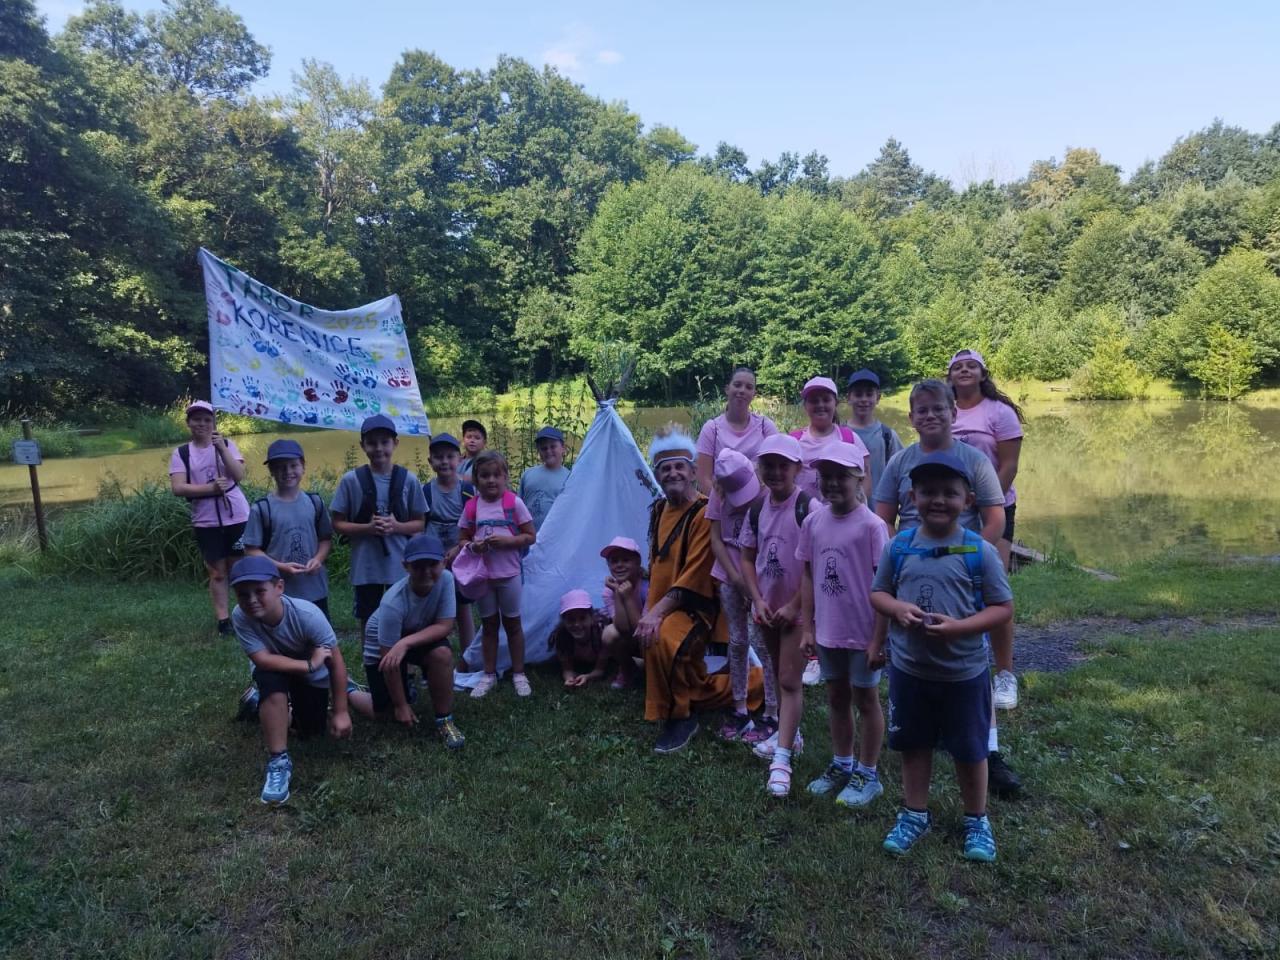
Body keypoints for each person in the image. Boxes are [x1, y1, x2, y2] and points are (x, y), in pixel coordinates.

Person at [872, 379, 1023, 800]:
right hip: (911, 564)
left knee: (969, 662)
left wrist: (969, 559)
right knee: (912, 654)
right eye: (921, 410)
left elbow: (995, 518)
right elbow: (882, 518)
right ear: (911, 417)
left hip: (963, 569)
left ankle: (988, 750)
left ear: (953, 413)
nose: (931, 416)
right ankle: (916, 735)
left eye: (938, 408)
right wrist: (901, 557)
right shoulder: (901, 462)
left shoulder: (974, 460)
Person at [867, 452, 1014, 862]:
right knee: (914, 745)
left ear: (968, 500)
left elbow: (1002, 609)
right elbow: (878, 594)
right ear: (912, 497)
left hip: (963, 674)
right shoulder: (899, 547)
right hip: (909, 671)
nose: (938, 500)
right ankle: (915, 813)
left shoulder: (979, 551)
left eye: (949, 493)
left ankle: (976, 819)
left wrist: (959, 628)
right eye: (928, 491)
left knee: (970, 749)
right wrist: (897, 609)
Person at [637, 426, 763, 754]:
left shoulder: (705, 511)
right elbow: (659, 562)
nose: (673, 473)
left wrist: (656, 613)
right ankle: (702, 690)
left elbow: (695, 575)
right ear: (657, 476)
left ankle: (682, 714)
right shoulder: (658, 509)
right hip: (666, 604)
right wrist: (649, 609)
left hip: (699, 606)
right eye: (665, 468)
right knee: (648, 639)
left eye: (680, 466)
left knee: (667, 640)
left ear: (694, 472)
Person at [798, 447, 890, 808]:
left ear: (859, 479)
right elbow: (808, 575)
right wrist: (808, 627)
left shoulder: (872, 526)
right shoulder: (813, 522)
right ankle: (842, 763)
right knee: (836, 697)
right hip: (828, 631)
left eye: (842, 476)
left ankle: (868, 773)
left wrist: (878, 639)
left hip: (863, 632)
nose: (833, 483)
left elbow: (884, 585)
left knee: (866, 700)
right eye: (826, 476)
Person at [229, 555, 354, 805]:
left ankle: (257, 703)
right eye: (243, 594)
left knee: (311, 731)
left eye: (259, 591)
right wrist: (309, 665)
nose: (251, 600)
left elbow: (336, 661)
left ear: (279, 587)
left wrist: (341, 711)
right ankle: (278, 761)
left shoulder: (307, 614)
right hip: (276, 668)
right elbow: (263, 660)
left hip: (309, 677)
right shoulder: (240, 616)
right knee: (270, 679)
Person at [947, 348, 1025, 711]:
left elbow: (1009, 465)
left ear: (982, 373)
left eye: (971, 366)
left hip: (996, 507)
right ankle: (960, 661)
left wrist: (985, 500)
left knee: (995, 586)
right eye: (957, 367)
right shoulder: (944, 409)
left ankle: (1005, 673)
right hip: (953, 509)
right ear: (950, 376)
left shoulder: (999, 412)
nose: (964, 370)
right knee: (957, 581)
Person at [739, 434, 811, 794]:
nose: (776, 472)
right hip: (767, 608)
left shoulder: (808, 507)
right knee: (778, 672)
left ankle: (782, 759)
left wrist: (794, 605)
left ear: (797, 468)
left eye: (784, 465)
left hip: (796, 611)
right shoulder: (757, 508)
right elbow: (747, 557)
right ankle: (789, 734)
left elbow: (814, 562)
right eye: (769, 465)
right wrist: (757, 599)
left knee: (789, 678)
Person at [349, 533, 465, 749]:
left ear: (444, 562)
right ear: (405, 566)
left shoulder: (447, 579)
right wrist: (400, 705)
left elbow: (445, 626)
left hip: (414, 637)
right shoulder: (392, 602)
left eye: (432, 564)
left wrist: (405, 643)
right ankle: (350, 690)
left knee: (442, 654)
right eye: (418, 566)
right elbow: (389, 659)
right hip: (383, 647)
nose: (426, 571)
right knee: (384, 713)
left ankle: (444, 720)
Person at [330, 414, 428, 633]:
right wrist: (368, 528)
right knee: (368, 618)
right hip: (366, 567)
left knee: (402, 616)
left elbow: (420, 523)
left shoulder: (409, 479)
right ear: (362, 445)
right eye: (372, 443)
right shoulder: (351, 480)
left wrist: (396, 526)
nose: (379, 448)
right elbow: (337, 524)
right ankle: (370, 654)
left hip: (401, 566)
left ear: (395, 443)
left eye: (385, 442)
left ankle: (403, 654)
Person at [705, 448, 777, 741]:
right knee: (737, 640)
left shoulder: (766, 494)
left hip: (762, 580)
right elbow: (716, 540)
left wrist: (753, 586)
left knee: (765, 643)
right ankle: (739, 707)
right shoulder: (718, 494)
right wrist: (736, 580)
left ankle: (772, 711)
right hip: (729, 576)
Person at [457, 450, 537, 698]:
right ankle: (488, 674)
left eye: (496, 475)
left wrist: (508, 541)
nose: (491, 480)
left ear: (505, 477)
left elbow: (530, 536)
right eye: (485, 475)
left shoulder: (514, 503)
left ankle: (519, 673)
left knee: (513, 624)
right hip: (483, 578)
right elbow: (462, 539)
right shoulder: (472, 506)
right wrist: (473, 546)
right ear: (476, 479)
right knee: (489, 625)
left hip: (509, 575)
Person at [169, 400, 250, 634]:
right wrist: (210, 489)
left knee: (239, 569)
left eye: (207, 419)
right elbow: (178, 488)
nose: (202, 424)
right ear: (188, 423)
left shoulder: (227, 444)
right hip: (205, 520)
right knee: (217, 571)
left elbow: (239, 475)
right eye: (197, 419)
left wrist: (222, 449)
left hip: (236, 516)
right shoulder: (182, 453)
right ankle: (224, 621)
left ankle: (247, 614)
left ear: (214, 422)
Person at [243, 439, 333, 618]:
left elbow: (325, 539)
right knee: (284, 631)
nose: (288, 471)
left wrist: (318, 559)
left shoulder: (315, 502)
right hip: (278, 591)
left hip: (315, 588)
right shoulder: (262, 508)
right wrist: (281, 567)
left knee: (319, 631)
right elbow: (251, 549)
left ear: (303, 466)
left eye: (293, 465)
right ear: (271, 471)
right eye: (280, 467)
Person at [424, 432, 477, 662]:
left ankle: (468, 658)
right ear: (430, 462)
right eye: (438, 457)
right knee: (432, 608)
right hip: (433, 560)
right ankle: (432, 657)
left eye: (449, 456)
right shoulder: (426, 491)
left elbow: (476, 525)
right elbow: (420, 526)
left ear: (460, 459)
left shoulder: (468, 490)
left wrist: (458, 549)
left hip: (461, 558)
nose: (444, 462)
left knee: (463, 608)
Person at [694, 366, 779, 495]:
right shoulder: (712, 429)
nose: (742, 390)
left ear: (754, 394)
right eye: (737, 385)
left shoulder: (765, 426)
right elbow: (703, 479)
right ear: (727, 389)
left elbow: (777, 470)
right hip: (721, 503)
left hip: (760, 502)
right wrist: (723, 504)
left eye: (749, 387)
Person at [790, 376, 871, 503]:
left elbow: (865, 476)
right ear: (805, 405)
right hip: (801, 512)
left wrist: (855, 507)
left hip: (841, 512)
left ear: (836, 403)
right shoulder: (793, 440)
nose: (820, 405)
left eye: (826, 400)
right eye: (814, 401)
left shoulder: (849, 438)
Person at [599, 537, 648, 689]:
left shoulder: (647, 587)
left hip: (648, 638)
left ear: (637, 563)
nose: (619, 565)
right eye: (614, 561)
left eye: (626, 560)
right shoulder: (609, 591)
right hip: (631, 637)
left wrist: (628, 597)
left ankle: (651, 669)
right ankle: (628, 669)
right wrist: (618, 593)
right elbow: (622, 627)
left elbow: (641, 630)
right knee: (609, 634)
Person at [844, 369, 904, 493]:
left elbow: (901, 473)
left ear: (878, 398)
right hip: (844, 504)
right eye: (858, 394)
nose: (864, 399)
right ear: (848, 398)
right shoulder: (838, 433)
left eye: (869, 394)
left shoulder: (888, 436)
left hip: (879, 505)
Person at [552, 589, 612, 687]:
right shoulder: (561, 637)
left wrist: (588, 677)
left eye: (582, 618)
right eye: (571, 619)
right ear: (563, 621)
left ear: (591, 618)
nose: (577, 624)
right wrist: (569, 678)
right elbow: (567, 670)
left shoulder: (601, 634)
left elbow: (599, 670)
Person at [519, 426, 571, 531]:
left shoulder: (570, 478)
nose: (548, 451)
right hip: (528, 534)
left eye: (553, 446)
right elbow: (518, 506)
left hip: (556, 534)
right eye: (543, 448)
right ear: (538, 451)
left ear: (563, 448)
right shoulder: (528, 474)